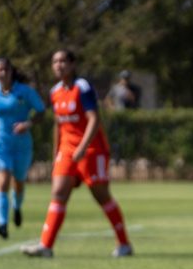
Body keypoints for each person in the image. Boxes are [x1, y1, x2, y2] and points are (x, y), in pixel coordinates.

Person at [21, 49, 133, 258]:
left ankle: (124, 244)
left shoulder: (83, 87)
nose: (58, 65)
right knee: (58, 193)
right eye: (55, 62)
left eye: (63, 61)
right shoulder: (55, 92)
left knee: (101, 196)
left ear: (72, 64)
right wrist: (56, 154)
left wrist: (82, 147)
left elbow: (94, 119)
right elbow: (58, 125)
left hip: (91, 150)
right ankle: (46, 246)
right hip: (66, 150)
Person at [0, 58, 45, 239]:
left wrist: (27, 124)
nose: (2, 73)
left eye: (6, 69)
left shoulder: (25, 92)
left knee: (18, 182)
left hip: (21, 146)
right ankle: (2, 224)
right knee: (2, 180)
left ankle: (17, 207)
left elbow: (41, 111)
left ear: (11, 72)